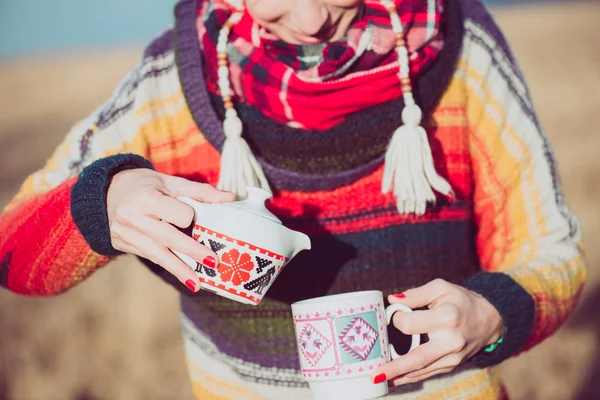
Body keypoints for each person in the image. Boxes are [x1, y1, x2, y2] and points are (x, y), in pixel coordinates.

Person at [0, 0, 586, 398]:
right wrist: (106, 199)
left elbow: (553, 254)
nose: (310, 21)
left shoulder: (465, 50)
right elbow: (13, 254)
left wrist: (492, 315)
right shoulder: (171, 81)